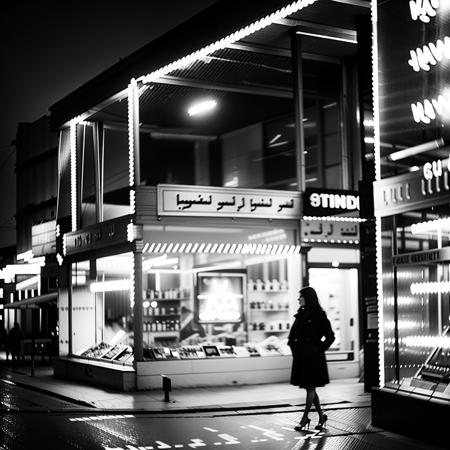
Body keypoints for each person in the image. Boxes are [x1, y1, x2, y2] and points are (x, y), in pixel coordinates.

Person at [288, 286, 335, 432]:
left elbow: (330, 337)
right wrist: (295, 350)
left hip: (314, 358)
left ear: (307, 298)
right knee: (310, 388)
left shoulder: (319, 315)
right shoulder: (300, 315)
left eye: (300, 296)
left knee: (310, 388)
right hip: (302, 357)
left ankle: (305, 418)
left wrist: (317, 349)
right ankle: (321, 416)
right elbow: (291, 338)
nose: (298, 299)